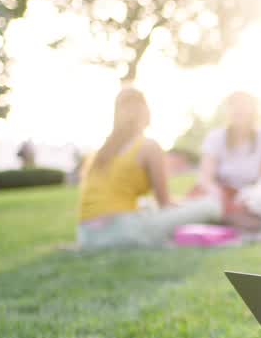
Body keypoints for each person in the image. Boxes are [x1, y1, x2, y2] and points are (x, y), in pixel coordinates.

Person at [76, 87, 220, 249]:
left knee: (146, 204)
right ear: (146, 112)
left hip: (87, 236)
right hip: (124, 232)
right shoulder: (148, 146)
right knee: (210, 205)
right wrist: (188, 204)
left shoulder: (102, 152)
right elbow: (164, 203)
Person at [197, 91, 261, 229]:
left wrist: (251, 197)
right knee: (210, 207)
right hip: (220, 195)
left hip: (250, 197)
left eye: (244, 107)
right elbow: (206, 180)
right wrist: (223, 198)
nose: (239, 111)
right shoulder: (215, 138)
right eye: (235, 107)